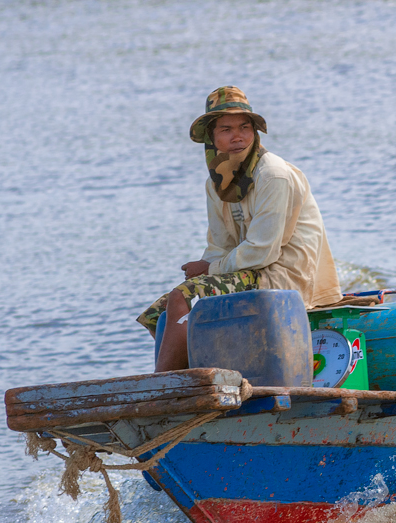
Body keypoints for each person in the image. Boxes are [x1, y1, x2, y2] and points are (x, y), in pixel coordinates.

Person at [138, 86, 342, 371]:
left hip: (282, 276)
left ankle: (166, 387)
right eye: (226, 129)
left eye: (245, 127)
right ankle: (196, 377)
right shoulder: (216, 183)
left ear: (254, 132)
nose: (237, 136)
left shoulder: (273, 174)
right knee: (158, 313)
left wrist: (209, 270)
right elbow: (218, 245)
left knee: (183, 297)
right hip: (249, 271)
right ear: (212, 137)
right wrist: (207, 264)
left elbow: (262, 251)